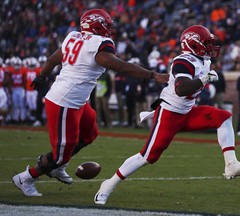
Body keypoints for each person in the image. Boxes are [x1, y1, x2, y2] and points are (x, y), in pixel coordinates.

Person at [94, 25, 240, 205]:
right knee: (148, 156)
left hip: (187, 111)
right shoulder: (183, 61)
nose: (210, 47)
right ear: (193, 45)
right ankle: (108, 184)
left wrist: (204, 79)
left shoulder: (203, 60)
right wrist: (205, 79)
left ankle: (231, 165)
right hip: (169, 113)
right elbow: (181, 89)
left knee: (223, 117)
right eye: (206, 43)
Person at [12, 8, 169, 197]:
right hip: (64, 102)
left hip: (78, 101)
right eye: (106, 25)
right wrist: (152, 75)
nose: (109, 29)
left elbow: (53, 59)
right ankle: (26, 178)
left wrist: (42, 76)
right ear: (96, 25)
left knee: (90, 134)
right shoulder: (99, 44)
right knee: (60, 154)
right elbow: (119, 66)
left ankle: (58, 166)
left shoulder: (74, 37)